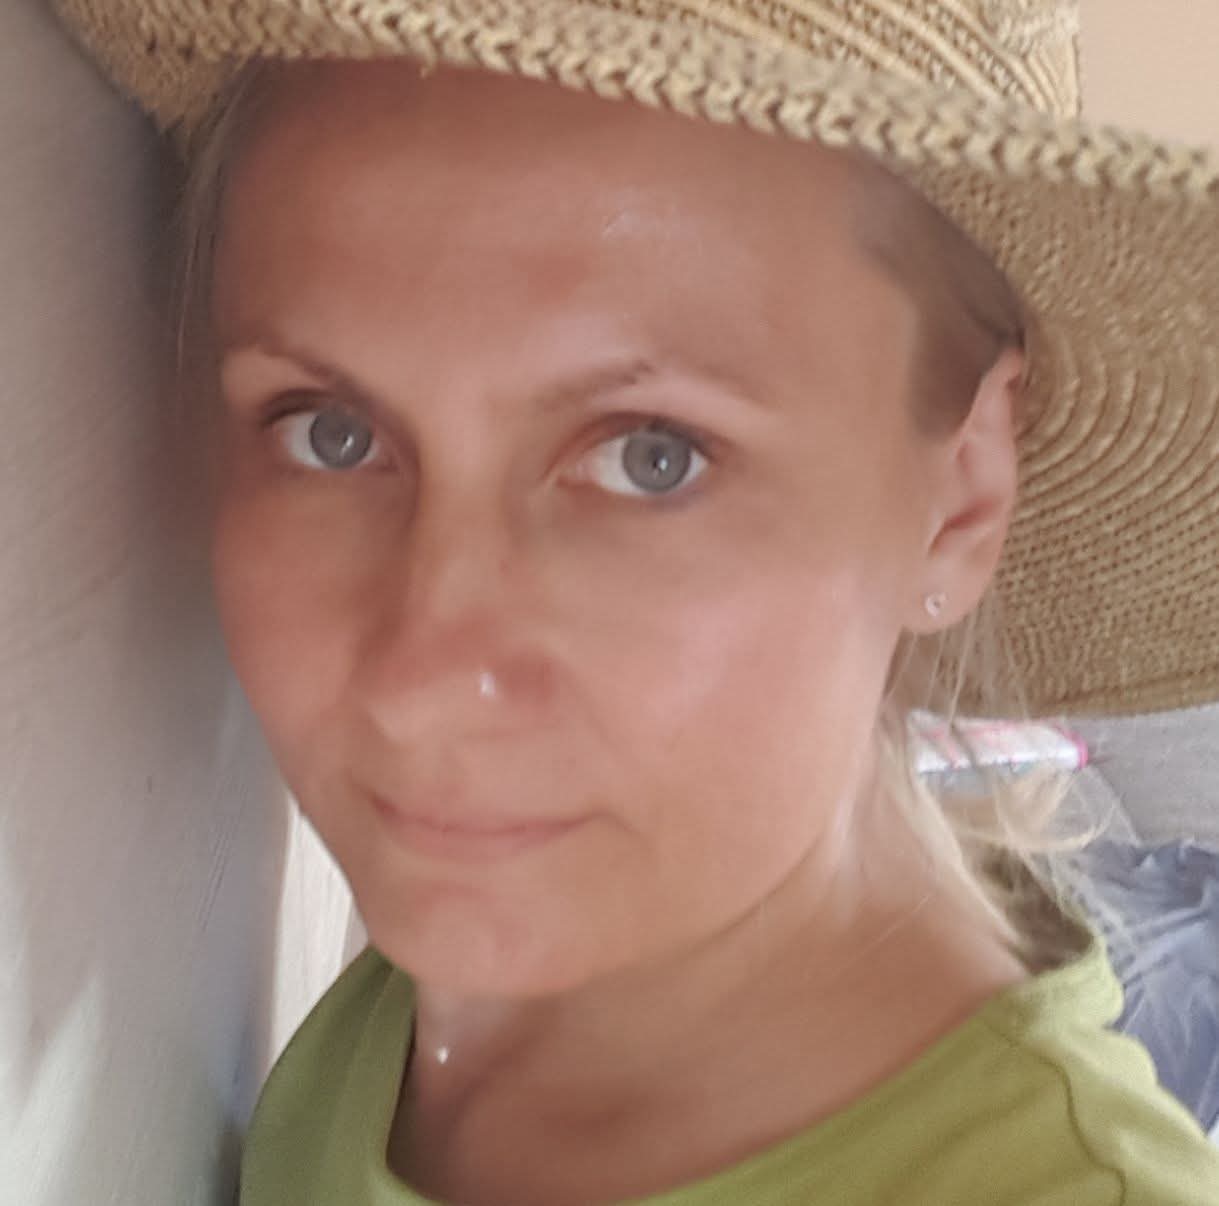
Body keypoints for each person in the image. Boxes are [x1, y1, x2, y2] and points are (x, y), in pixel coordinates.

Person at [52, 1, 1219, 1202]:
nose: (421, 685)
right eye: (332, 433)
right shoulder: (495, 964)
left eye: (652, 457)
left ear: (961, 497)